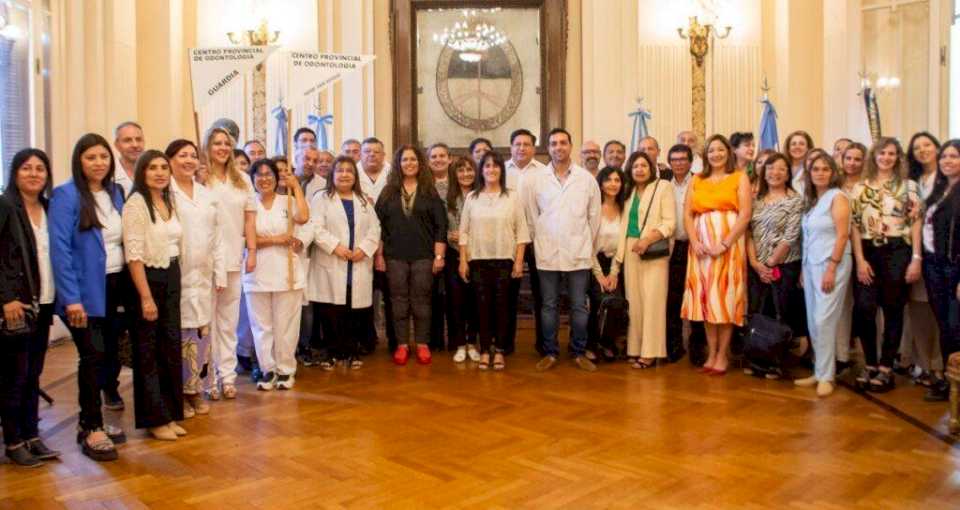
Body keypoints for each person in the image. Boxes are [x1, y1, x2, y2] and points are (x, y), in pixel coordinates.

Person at [49, 133, 128, 461]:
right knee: (92, 354)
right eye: (91, 157)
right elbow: (60, 250)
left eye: (103, 157)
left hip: (116, 285)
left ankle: (101, 420)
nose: (99, 163)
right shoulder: (65, 195)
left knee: (110, 355)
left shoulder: (116, 192)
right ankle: (90, 425)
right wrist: (71, 299)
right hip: (83, 292)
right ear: (79, 161)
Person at [522, 128, 601, 372]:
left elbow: (594, 217)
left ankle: (578, 351)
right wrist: (539, 241)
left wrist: (588, 246)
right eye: (554, 143)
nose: (558, 147)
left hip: (579, 251)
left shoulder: (585, 178)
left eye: (563, 143)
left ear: (570, 146)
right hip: (547, 251)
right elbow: (531, 215)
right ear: (548, 148)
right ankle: (550, 352)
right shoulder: (537, 179)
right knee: (549, 305)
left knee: (579, 305)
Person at [0, 148, 60, 466]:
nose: (34, 173)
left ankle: (32, 435)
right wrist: (5, 298)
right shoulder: (5, 205)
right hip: (16, 305)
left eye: (40, 168)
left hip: (44, 302)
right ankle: (12, 441)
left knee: (33, 374)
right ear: (15, 172)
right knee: (14, 376)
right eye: (27, 168)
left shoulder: (48, 208)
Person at [849, 137, 922, 393]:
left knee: (893, 310)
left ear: (898, 158)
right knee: (865, 307)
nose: (886, 158)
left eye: (892, 154)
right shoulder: (859, 188)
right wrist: (859, 260)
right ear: (874, 156)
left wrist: (916, 258)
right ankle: (869, 362)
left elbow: (915, 223)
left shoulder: (909, 186)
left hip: (897, 250)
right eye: (882, 153)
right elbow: (855, 227)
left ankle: (886, 367)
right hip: (868, 250)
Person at [122, 150, 186, 440]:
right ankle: (153, 418)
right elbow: (133, 254)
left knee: (170, 346)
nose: (159, 172)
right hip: (147, 279)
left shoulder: (168, 200)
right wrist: (146, 297)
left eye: (163, 167)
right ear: (141, 173)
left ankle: (170, 413)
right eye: (152, 168)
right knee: (148, 351)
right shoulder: (136, 204)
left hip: (171, 275)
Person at [680, 134, 752, 376]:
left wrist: (725, 242)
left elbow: (745, 215)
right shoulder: (697, 180)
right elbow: (688, 214)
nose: (716, 154)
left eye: (721, 150)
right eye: (711, 151)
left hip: (728, 247)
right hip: (701, 248)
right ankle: (711, 353)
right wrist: (695, 240)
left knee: (725, 299)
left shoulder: (739, 178)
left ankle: (723, 355)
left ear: (728, 153)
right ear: (705, 155)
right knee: (707, 302)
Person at [375, 145, 447, 365]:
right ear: (398, 163)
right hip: (394, 256)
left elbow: (440, 226)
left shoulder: (429, 190)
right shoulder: (387, 192)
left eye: (413, 160)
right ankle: (402, 345)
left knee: (422, 301)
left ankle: (423, 344)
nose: (409, 163)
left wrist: (439, 256)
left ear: (420, 163)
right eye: (405, 160)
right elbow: (377, 226)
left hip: (424, 256)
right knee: (398, 302)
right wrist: (379, 256)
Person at [458, 152, 529, 370]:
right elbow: (464, 232)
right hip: (478, 261)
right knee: (482, 308)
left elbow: (522, 232)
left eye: (495, 166)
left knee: (502, 308)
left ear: (501, 170)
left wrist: (519, 262)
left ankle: (499, 350)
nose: (491, 170)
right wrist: (463, 261)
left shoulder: (512, 197)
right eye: (487, 166)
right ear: (481, 170)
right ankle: (485, 349)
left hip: (504, 261)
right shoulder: (472, 198)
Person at [166, 140, 222, 419]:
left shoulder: (206, 194)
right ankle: (179, 392)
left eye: (192, 155)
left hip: (203, 274)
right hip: (177, 274)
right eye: (181, 155)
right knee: (180, 334)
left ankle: (196, 388)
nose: (188, 160)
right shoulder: (166, 194)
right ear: (170, 160)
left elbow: (218, 235)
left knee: (201, 333)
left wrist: (219, 271)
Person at [243, 159, 310, 390]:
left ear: (276, 177)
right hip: (256, 270)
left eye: (269, 174)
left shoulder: (288, 200)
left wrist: (296, 185)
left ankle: (285, 370)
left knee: (286, 325)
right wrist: (275, 240)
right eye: (259, 175)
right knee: (261, 325)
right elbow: (246, 238)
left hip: (286, 271)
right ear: (252, 179)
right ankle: (267, 369)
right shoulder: (248, 204)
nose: (264, 179)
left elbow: (303, 217)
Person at [309, 157, 380, 370]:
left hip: (356, 263)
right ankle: (332, 353)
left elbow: (375, 229)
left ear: (355, 176)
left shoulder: (363, 201)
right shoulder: (321, 198)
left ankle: (351, 351)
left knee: (353, 309)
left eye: (350, 171)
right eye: (340, 170)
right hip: (332, 260)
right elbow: (315, 227)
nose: (345, 174)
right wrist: (335, 247)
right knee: (331, 310)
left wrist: (364, 249)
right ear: (332, 174)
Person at [204, 126, 257, 400]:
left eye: (227, 143)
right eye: (217, 143)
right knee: (208, 321)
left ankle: (227, 375)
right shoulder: (201, 178)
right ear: (208, 147)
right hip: (206, 260)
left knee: (229, 320)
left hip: (235, 257)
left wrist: (253, 251)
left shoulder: (243, 181)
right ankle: (209, 376)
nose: (222, 148)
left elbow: (249, 219)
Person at [796, 152, 852, 397]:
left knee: (824, 320)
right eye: (815, 169)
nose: (819, 172)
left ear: (833, 172)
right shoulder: (812, 200)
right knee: (812, 321)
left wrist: (832, 267)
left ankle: (827, 376)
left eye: (825, 169)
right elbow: (808, 238)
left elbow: (842, 235)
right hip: (810, 265)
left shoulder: (837, 197)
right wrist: (802, 269)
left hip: (832, 264)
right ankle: (819, 371)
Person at [745, 153, 804, 376]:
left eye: (780, 169)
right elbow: (749, 232)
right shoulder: (756, 199)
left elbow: (790, 237)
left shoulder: (795, 200)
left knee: (782, 315)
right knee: (759, 314)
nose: (774, 173)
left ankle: (779, 363)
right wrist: (755, 263)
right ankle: (758, 360)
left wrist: (769, 264)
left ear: (788, 173)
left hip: (784, 266)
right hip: (757, 266)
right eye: (770, 168)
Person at [616, 152, 676, 368]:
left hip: (654, 251)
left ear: (651, 168)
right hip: (631, 250)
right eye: (635, 166)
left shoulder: (663, 187)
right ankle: (635, 347)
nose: (639, 169)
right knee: (635, 303)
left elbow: (670, 223)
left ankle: (651, 352)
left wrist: (648, 240)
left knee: (653, 302)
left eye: (643, 165)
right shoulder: (628, 192)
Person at [900, 132, 943, 386]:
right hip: (915, 252)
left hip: (940, 254)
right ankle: (923, 363)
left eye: (927, 145)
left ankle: (939, 364)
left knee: (939, 309)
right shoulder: (912, 181)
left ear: (937, 147)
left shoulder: (948, 179)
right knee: (917, 308)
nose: (922, 150)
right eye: (917, 147)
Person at [921, 139, 960, 401]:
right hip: (933, 265)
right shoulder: (939, 190)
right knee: (944, 326)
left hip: (955, 267)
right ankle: (950, 382)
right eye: (944, 156)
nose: (947, 161)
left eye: (954, 156)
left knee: (956, 326)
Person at [505, 128, 546, 354]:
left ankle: (543, 343)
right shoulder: (500, 170)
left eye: (527, 144)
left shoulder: (544, 172)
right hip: (510, 243)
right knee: (509, 296)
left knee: (542, 295)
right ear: (511, 147)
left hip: (538, 240)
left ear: (534, 148)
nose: (522, 148)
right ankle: (506, 343)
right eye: (517, 144)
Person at [665, 144, 705, 364]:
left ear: (691, 162)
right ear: (669, 162)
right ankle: (674, 345)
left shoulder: (700, 183)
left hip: (696, 246)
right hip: (673, 248)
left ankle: (697, 346)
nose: (678, 163)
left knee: (697, 297)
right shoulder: (663, 185)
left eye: (682, 159)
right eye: (674, 159)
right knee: (673, 299)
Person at [360, 137, 396, 353]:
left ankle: (393, 338)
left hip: (390, 243)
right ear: (361, 155)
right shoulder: (352, 174)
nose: (372, 155)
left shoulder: (393, 175)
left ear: (384, 156)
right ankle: (367, 337)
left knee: (391, 294)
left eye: (376, 152)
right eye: (367, 152)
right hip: (361, 244)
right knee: (364, 294)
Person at [586, 166, 625, 362]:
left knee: (616, 304)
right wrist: (599, 274)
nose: (613, 184)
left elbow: (624, 243)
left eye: (617, 180)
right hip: (594, 263)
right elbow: (589, 243)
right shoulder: (594, 209)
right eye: (608, 180)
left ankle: (607, 342)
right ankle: (591, 344)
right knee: (597, 303)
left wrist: (614, 272)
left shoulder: (624, 208)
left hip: (616, 263)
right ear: (600, 183)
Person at [445, 157, 480, 363]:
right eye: (461, 171)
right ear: (454, 174)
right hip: (453, 256)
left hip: (476, 256)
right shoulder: (446, 197)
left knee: (475, 302)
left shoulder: (481, 196)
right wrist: (449, 235)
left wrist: (468, 236)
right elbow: (439, 226)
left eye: (469, 170)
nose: (465, 174)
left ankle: (471, 342)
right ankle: (459, 343)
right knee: (456, 302)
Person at [426, 143, 452, 352]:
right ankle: (434, 340)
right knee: (432, 295)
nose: (438, 159)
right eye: (433, 156)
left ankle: (455, 340)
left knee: (453, 295)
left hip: (454, 246)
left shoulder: (458, 181)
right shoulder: (423, 185)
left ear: (449, 159)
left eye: (442, 155)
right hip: (430, 246)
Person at [113, 121, 145, 197]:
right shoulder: (109, 174)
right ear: (117, 145)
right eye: (127, 140)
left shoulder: (155, 171)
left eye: (138, 139)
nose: (135, 145)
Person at [784, 130, 814, 195]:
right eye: (793, 144)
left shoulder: (813, 168)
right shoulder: (783, 167)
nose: (797, 147)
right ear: (788, 148)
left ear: (808, 148)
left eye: (802, 144)